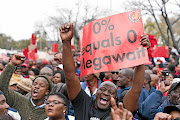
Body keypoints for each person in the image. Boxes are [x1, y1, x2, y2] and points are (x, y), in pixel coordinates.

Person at [59, 23, 150, 119]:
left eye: (111, 92)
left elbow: (136, 89)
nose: (106, 93)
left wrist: (141, 53)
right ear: (96, 93)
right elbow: (70, 76)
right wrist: (66, 41)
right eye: (102, 90)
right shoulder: (83, 103)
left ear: (115, 98)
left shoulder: (120, 111)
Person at [0, 54, 52, 120]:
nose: (36, 87)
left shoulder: (50, 110)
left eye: (41, 86)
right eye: (34, 84)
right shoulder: (20, 100)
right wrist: (12, 64)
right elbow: (2, 87)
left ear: (47, 92)